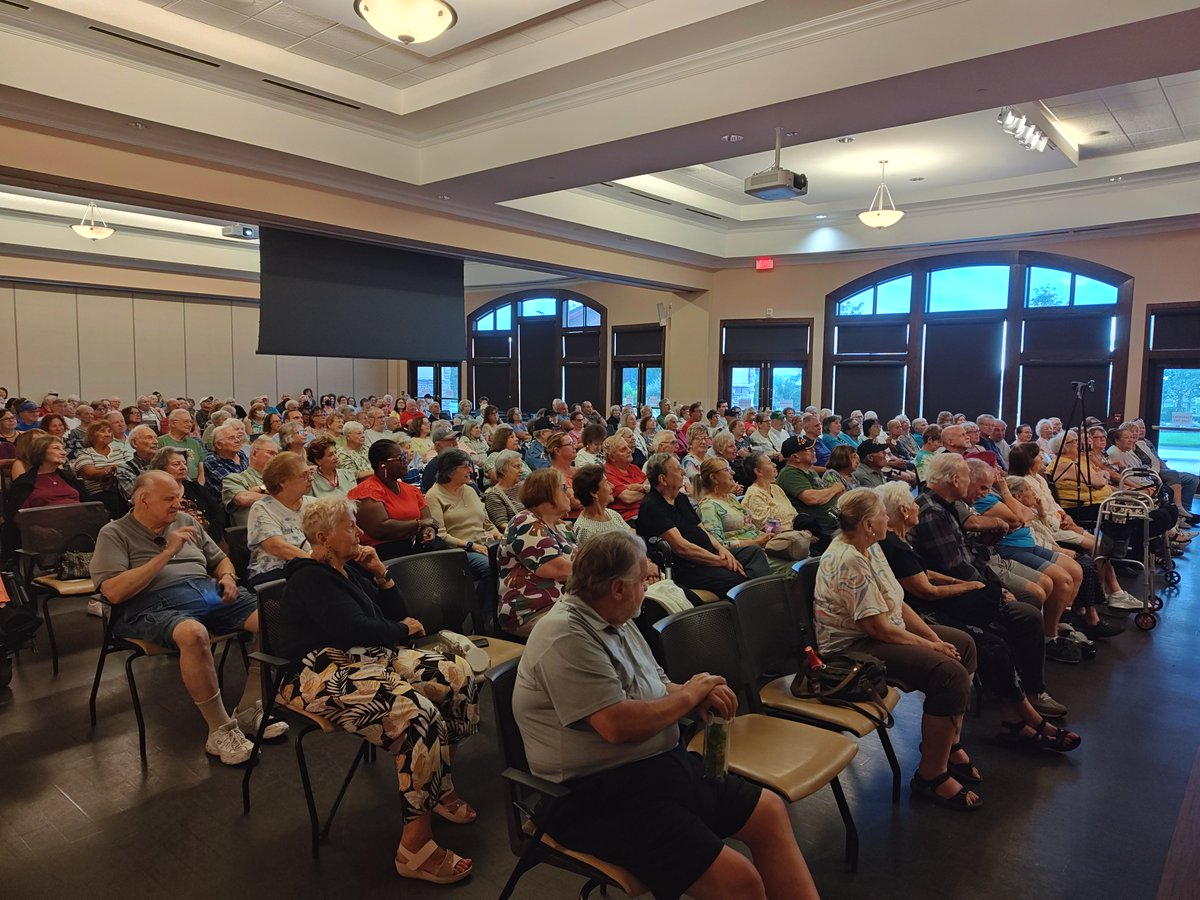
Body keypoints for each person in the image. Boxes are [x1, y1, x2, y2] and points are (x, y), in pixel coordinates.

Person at [513, 530, 819, 900]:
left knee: (768, 812)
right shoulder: (564, 635)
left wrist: (694, 692)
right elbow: (616, 724)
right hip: (593, 797)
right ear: (618, 588)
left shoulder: (615, 617)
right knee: (740, 882)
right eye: (642, 580)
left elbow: (658, 686)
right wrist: (690, 694)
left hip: (653, 770)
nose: (647, 586)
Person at [273, 494, 479, 884]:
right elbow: (356, 628)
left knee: (456, 674)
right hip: (320, 671)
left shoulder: (351, 570)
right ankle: (414, 847)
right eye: (349, 526)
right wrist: (402, 629)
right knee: (418, 716)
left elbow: (396, 613)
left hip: (370, 656)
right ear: (323, 537)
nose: (359, 532)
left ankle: (438, 783)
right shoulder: (309, 577)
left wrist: (382, 575)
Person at [90, 470, 287, 765]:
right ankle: (219, 728)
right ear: (143, 499)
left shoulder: (185, 521)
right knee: (193, 634)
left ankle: (249, 707)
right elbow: (115, 592)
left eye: (179, 498)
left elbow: (220, 559)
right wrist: (167, 552)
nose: (177, 505)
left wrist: (228, 576)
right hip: (150, 605)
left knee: (273, 617)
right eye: (169, 499)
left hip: (205, 592)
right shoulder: (114, 533)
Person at [814, 488, 983, 809]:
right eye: (882, 514)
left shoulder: (872, 546)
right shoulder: (848, 559)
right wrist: (931, 646)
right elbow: (877, 628)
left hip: (882, 632)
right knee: (948, 674)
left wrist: (933, 640)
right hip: (853, 649)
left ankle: (948, 743)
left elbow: (897, 602)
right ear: (868, 525)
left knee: (964, 645)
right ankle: (930, 776)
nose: (887, 519)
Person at [908, 453, 1076, 720]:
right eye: (968, 478)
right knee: (1025, 616)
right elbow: (954, 567)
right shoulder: (932, 512)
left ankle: (1018, 684)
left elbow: (969, 554)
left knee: (1028, 607)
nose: (971, 485)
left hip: (968, 586)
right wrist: (994, 591)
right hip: (950, 597)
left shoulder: (945, 505)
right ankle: (1027, 691)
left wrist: (994, 585)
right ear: (955, 480)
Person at [636, 452, 769, 597]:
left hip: (709, 554)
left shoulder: (681, 498)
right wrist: (719, 561)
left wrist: (721, 550)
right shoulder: (652, 506)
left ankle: (760, 596)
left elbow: (701, 529)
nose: (683, 472)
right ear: (663, 479)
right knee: (738, 578)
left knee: (754, 552)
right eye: (678, 469)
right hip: (688, 567)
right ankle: (759, 599)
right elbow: (682, 548)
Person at [497, 467, 576, 637]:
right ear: (546, 494)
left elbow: (581, 563)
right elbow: (558, 570)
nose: (569, 493)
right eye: (563, 488)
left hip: (565, 607)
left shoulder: (563, 527)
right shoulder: (525, 522)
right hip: (532, 612)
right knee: (586, 630)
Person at [696, 457, 800, 575]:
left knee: (803, 557)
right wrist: (756, 542)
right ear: (714, 478)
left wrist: (764, 536)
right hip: (747, 556)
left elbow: (750, 528)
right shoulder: (708, 507)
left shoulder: (731, 498)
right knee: (796, 569)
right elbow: (719, 545)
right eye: (726, 470)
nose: (732, 472)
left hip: (761, 546)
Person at [424, 448, 499, 598]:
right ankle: (484, 609)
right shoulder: (434, 496)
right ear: (449, 471)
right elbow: (441, 535)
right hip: (460, 550)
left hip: (484, 543)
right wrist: (471, 545)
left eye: (469, 466)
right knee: (490, 567)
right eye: (465, 467)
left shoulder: (470, 490)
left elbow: (487, 523)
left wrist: (498, 534)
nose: (470, 470)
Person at [2, 435, 91, 559]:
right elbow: (17, 515)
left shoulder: (68, 477)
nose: (64, 452)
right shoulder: (24, 483)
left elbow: (89, 504)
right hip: (46, 535)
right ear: (41, 452)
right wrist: (37, 530)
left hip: (80, 530)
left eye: (63, 448)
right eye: (56, 448)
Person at [349, 439, 440, 560]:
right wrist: (419, 524)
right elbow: (380, 529)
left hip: (414, 545)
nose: (406, 461)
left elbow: (427, 520)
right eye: (401, 458)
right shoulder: (366, 491)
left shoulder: (412, 490)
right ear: (383, 464)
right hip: (382, 552)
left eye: (405, 457)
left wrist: (428, 530)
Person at [246, 451, 313, 583]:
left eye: (310, 473)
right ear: (282, 481)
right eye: (304, 475)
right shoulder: (262, 508)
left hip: (310, 569)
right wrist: (317, 563)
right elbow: (278, 548)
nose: (311, 478)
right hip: (274, 574)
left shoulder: (314, 505)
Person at [776, 435, 844, 553]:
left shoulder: (810, 471)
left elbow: (822, 495)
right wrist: (834, 489)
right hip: (822, 529)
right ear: (795, 457)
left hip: (835, 522)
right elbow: (811, 498)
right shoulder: (789, 474)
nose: (814, 451)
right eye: (809, 450)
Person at [150, 447, 223, 540]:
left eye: (184, 463)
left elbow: (217, 514)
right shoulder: (154, 493)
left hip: (207, 539)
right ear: (161, 469)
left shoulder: (194, 488)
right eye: (176, 464)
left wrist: (209, 539)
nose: (183, 467)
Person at [72, 420, 133, 518]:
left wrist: (111, 470)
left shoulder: (121, 451)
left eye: (110, 431)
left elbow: (131, 467)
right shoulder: (85, 453)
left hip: (125, 489)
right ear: (92, 435)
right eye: (103, 431)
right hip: (99, 494)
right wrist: (113, 468)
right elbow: (89, 473)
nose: (108, 434)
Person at [571, 463, 637, 545]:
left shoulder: (612, 513)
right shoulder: (585, 530)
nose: (612, 486)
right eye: (606, 483)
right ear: (594, 492)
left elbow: (632, 534)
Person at [222, 436, 279, 527]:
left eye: (277, 455)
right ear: (255, 454)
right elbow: (243, 499)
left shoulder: (281, 479)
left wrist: (257, 490)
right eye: (271, 453)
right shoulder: (234, 479)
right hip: (256, 531)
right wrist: (271, 492)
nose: (275, 458)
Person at [605, 434, 650, 521]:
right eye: (623, 449)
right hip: (630, 517)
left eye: (628, 447)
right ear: (612, 457)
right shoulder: (607, 472)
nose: (629, 450)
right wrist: (648, 489)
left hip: (648, 509)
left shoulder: (633, 467)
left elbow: (650, 481)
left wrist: (641, 488)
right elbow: (629, 498)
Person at [158, 408, 206, 486]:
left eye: (191, 422)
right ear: (173, 423)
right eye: (186, 421)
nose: (190, 425)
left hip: (194, 485)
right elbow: (158, 470)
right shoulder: (161, 442)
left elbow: (201, 471)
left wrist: (199, 487)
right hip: (171, 484)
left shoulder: (195, 443)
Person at [483, 448, 526, 532]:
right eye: (517, 467)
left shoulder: (524, 486)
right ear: (503, 470)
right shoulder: (494, 495)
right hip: (517, 534)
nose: (521, 470)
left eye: (521, 466)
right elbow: (502, 525)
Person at [203, 423, 249, 496]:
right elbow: (233, 484)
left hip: (250, 494)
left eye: (237, 437)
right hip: (228, 500)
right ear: (218, 445)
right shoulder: (212, 460)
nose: (237, 440)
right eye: (231, 438)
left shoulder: (241, 454)